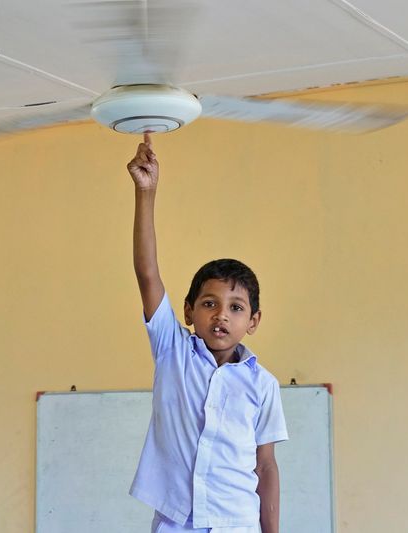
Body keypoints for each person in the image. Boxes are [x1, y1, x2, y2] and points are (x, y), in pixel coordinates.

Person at [126, 133, 289, 533]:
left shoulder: (262, 385)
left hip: (238, 524)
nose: (221, 316)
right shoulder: (172, 351)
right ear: (188, 311)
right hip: (175, 523)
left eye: (236, 308)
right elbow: (147, 274)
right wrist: (147, 192)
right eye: (209, 303)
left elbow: (265, 466)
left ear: (253, 321)